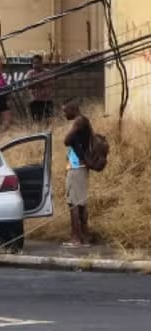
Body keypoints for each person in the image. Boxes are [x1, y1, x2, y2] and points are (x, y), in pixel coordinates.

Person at [63, 100, 93, 246]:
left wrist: (70, 133)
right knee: (80, 203)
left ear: (73, 109)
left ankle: (76, 238)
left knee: (74, 204)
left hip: (76, 167)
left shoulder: (79, 121)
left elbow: (66, 140)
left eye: (65, 111)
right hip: (79, 167)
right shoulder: (84, 121)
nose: (64, 114)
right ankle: (84, 236)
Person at [26, 54, 54, 123]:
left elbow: (49, 83)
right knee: (37, 121)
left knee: (49, 120)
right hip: (35, 100)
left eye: (38, 63)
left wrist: (39, 82)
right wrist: (35, 83)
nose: (36, 65)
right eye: (34, 63)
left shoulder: (47, 72)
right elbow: (28, 86)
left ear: (41, 63)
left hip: (47, 99)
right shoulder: (30, 73)